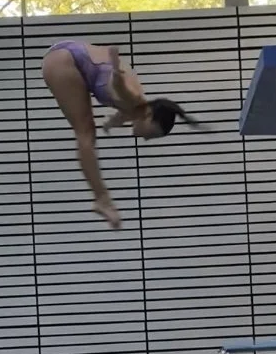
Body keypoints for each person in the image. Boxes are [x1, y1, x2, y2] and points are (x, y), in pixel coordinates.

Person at [42, 41, 202, 228]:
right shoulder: (133, 98)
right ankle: (102, 199)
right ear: (149, 116)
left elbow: (119, 116)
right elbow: (120, 88)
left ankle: (102, 198)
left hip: (68, 57)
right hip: (64, 60)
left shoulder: (134, 110)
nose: (144, 138)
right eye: (150, 134)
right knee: (85, 133)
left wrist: (111, 123)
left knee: (88, 132)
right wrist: (116, 70)